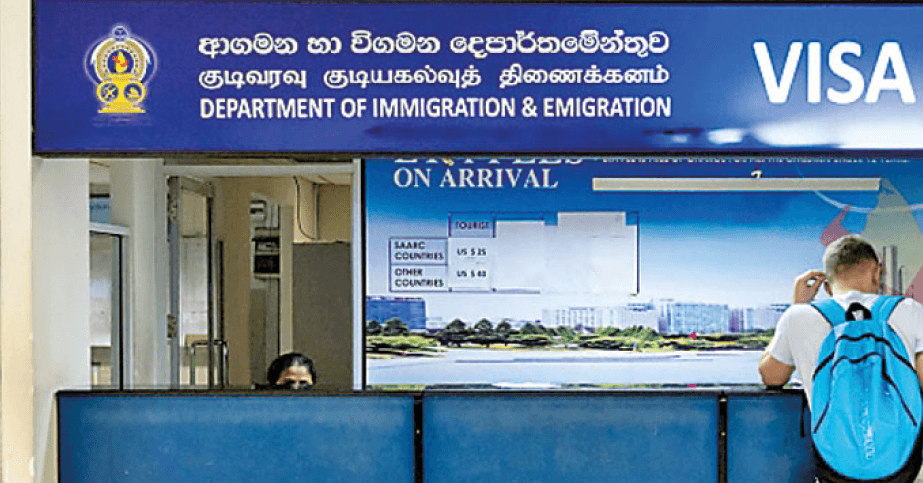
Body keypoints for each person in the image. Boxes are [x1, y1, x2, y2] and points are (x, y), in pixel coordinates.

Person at [759, 235, 923, 481]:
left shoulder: (799, 316)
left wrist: (796, 306)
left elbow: (771, 376)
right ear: (878, 272)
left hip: (836, 463)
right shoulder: (909, 309)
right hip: (903, 462)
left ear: (826, 285)